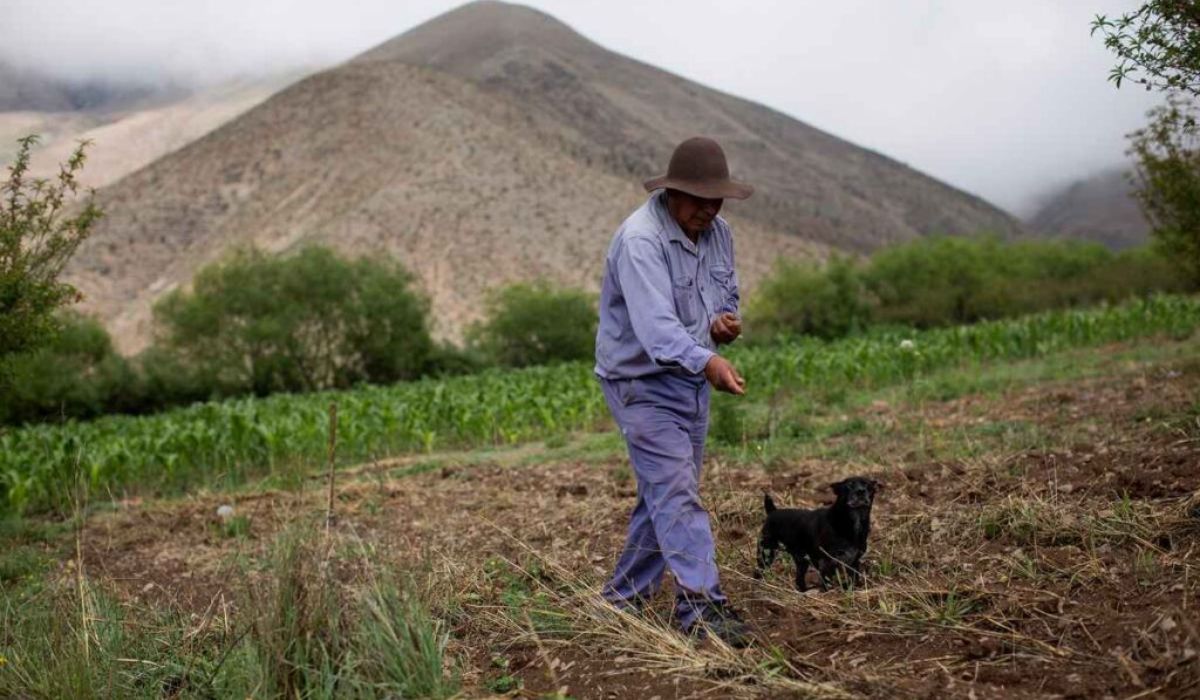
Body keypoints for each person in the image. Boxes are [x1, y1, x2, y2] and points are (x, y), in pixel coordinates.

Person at [594, 136, 752, 646]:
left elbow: (724, 297)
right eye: (698, 199)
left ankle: (622, 604)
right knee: (676, 494)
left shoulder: (718, 232)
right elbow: (658, 330)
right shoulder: (641, 241)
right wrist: (709, 358)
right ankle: (702, 611)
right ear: (672, 192)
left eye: (716, 199)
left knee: (663, 495)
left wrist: (725, 324)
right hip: (640, 383)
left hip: (689, 378)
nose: (708, 209)